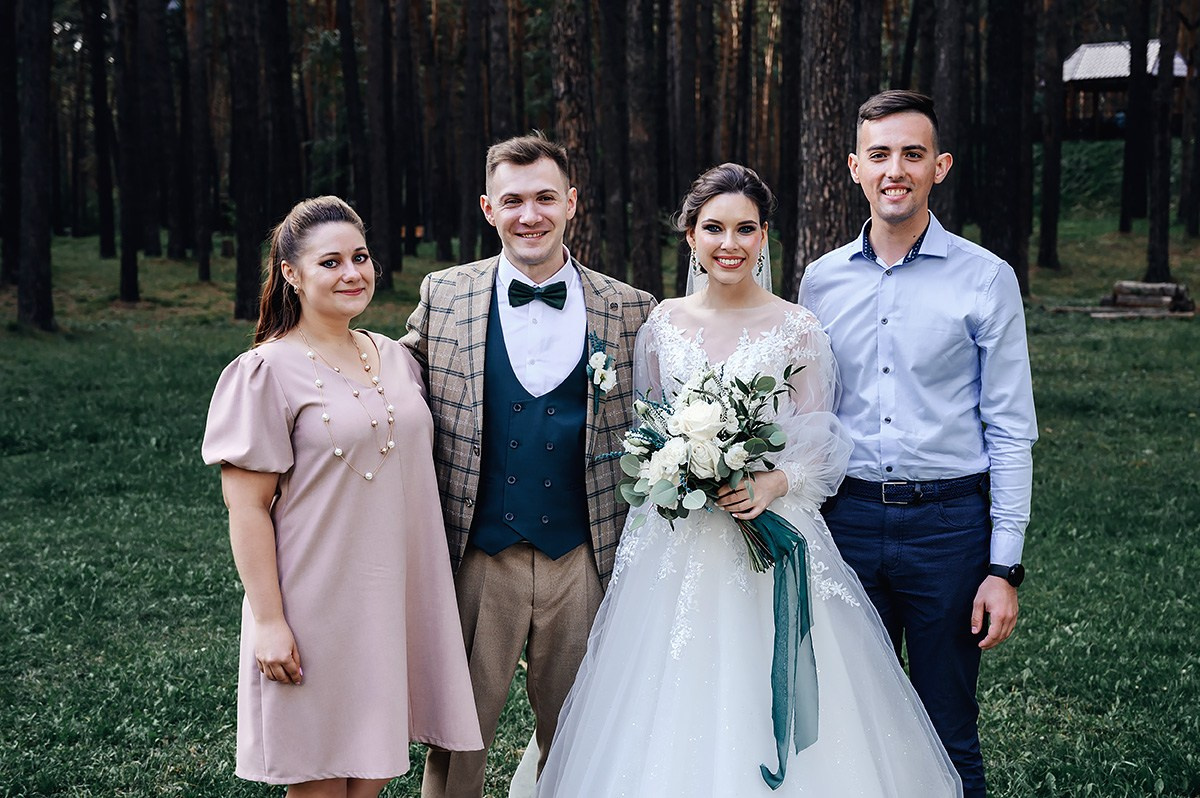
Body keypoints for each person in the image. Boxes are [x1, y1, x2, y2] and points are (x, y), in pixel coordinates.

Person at [536, 163, 962, 797]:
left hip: (771, 533)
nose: (728, 244)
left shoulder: (797, 328)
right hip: (675, 544)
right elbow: (650, 428)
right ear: (689, 236)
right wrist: (675, 470)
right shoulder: (662, 326)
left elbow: (822, 443)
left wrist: (772, 483)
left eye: (745, 229)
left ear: (765, 237)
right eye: (713, 228)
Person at [799, 90, 1038, 798]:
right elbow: (806, 412)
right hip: (843, 524)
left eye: (912, 154)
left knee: (946, 728)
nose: (894, 169)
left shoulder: (986, 278)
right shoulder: (820, 280)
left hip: (947, 530)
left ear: (941, 166)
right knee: (845, 723)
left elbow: (1012, 427)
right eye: (879, 155)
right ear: (853, 167)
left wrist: (1006, 567)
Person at [202, 196, 482, 798]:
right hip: (312, 605)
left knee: (373, 775)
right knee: (321, 783)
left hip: (389, 602)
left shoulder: (394, 357)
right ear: (291, 275)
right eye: (330, 262)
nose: (353, 273)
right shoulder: (264, 372)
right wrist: (271, 622)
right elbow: (246, 508)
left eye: (360, 257)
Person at [402, 134, 656, 798]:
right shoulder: (445, 295)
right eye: (512, 201)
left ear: (572, 202)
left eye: (546, 198)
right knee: (457, 743)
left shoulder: (631, 309)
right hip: (481, 554)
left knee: (582, 737)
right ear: (489, 208)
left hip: (585, 556)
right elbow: (389, 386)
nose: (530, 215)